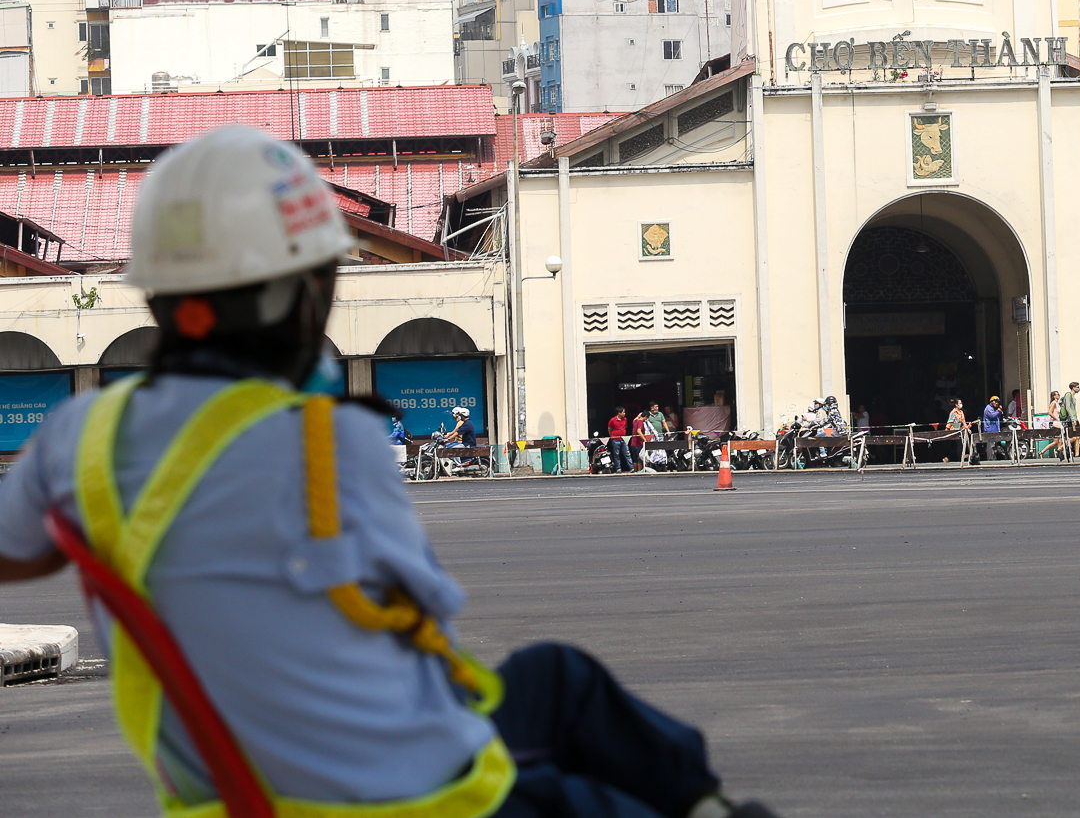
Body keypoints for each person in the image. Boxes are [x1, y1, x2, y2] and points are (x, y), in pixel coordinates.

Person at [0, 124, 774, 818]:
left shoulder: (80, 439)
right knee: (574, 718)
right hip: (431, 800)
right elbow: (423, 639)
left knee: (551, 680)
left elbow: (19, 550)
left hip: (232, 795)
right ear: (308, 298)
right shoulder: (332, 445)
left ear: (163, 300)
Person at [604, 406, 633, 473]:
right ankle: (618, 468)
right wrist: (612, 436)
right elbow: (609, 429)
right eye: (623, 412)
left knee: (627, 453)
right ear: (619, 413)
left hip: (624, 439)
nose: (624, 414)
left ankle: (631, 468)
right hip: (615, 439)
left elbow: (625, 427)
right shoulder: (612, 420)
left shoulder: (625, 419)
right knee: (616, 454)